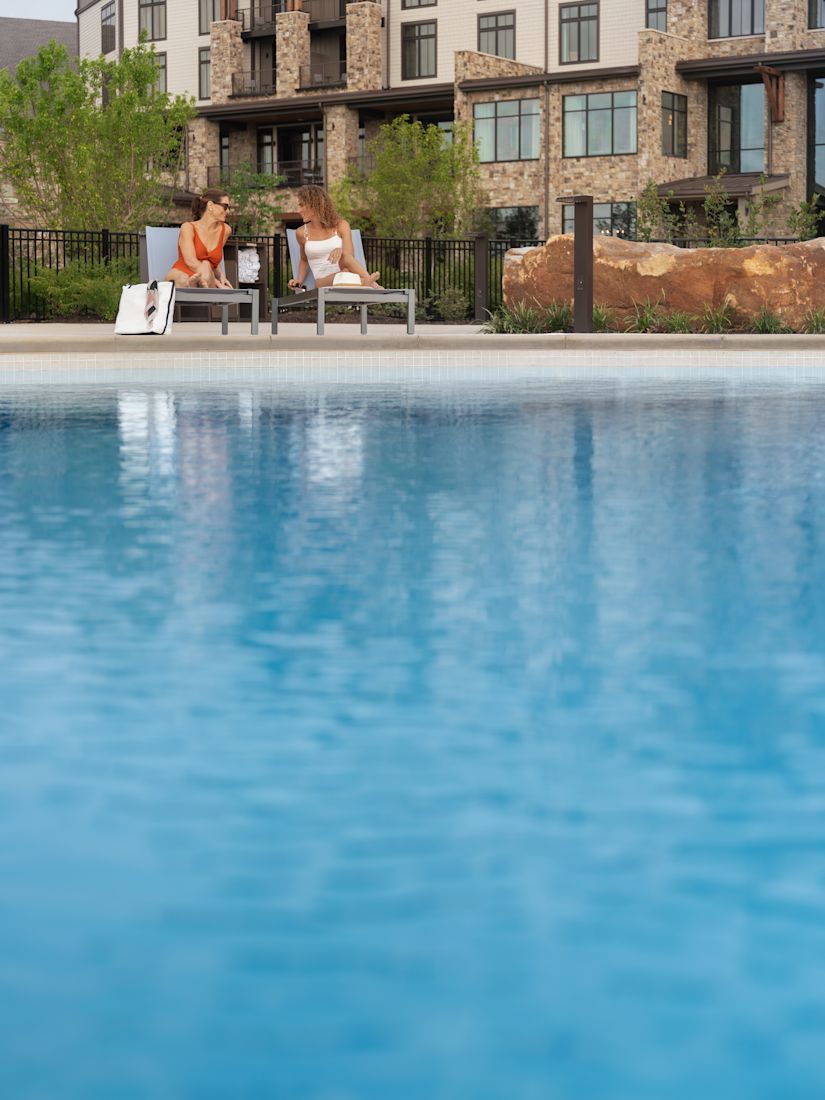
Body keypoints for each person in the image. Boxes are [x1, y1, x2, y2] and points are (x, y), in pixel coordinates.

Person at [288, 184, 382, 291]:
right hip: (323, 281)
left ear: (315, 205)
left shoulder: (341, 225)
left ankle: (367, 281)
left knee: (344, 265)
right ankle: (369, 282)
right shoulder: (301, 233)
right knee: (326, 281)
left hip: (345, 274)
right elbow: (304, 260)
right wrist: (298, 281)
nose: (298, 210)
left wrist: (340, 251)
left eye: (301, 205)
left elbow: (349, 256)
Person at [166, 189, 234, 289]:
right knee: (185, 277)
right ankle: (193, 283)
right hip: (185, 270)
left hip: (207, 275)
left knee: (206, 265)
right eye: (225, 206)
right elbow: (190, 261)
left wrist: (221, 276)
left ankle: (194, 284)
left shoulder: (225, 230)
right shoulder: (188, 228)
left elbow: (213, 260)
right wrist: (217, 283)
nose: (228, 211)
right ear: (210, 205)